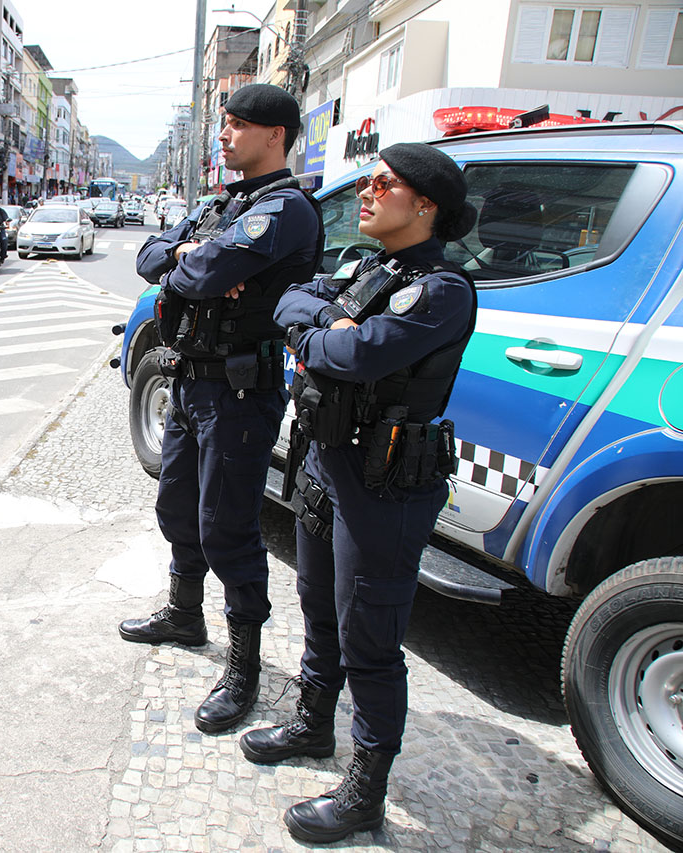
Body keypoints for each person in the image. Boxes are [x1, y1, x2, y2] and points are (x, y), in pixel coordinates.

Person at [245, 144, 478, 844]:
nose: (368, 193)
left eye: (385, 184)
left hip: (384, 481)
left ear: (426, 206)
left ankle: (365, 789)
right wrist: (324, 325)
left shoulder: (440, 290)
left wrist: (323, 334)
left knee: (370, 638)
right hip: (325, 461)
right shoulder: (375, 268)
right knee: (319, 605)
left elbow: (355, 353)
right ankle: (315, 724)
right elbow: (292, 299)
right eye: (369, 181)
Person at [120, 83, 325, 735]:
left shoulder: (286, 208)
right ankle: (185, 614)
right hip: (189, 381)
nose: (225, 134)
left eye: (238, 125)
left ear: (276, 136)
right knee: (176, 508)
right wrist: (187, 256)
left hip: (239, 392)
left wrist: (193, 266)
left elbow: (202, 275)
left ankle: (244, 669)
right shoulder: (224, 204)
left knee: (228, 529)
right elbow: (152, 258)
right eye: (224, 123)